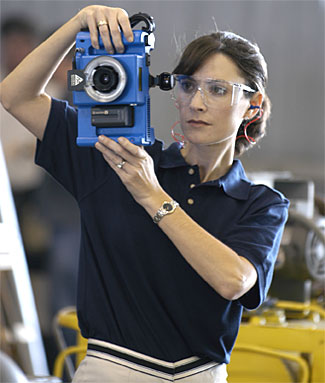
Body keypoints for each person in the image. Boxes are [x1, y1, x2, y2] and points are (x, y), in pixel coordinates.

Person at [0, 5, 289, 383]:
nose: (198, 103)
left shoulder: (260, 204)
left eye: (218, 90)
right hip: (109, 369)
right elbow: (15, 96)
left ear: (253, 104)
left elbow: (233, 281)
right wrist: (77, 25)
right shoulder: (116, 156)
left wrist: (152, 194)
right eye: (188, 85)